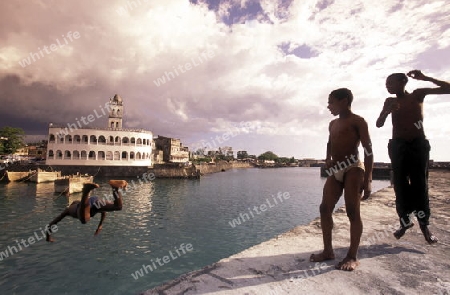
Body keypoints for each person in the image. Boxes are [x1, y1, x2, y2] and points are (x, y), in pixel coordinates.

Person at [376, 70, 450, 244]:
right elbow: (379, 124)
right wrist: (386, 112)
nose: (388, 86)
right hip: (398, 145)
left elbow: (448, 89)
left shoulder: (418, 95)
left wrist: (426, 78)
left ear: (403, 82)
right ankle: (405, 222)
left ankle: (424, 225)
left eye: (391, 83)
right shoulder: (390, 101)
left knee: (420, 186)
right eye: (386, 84)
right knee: (400, 186)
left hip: (417, 144)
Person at [310, 88, 373, 271]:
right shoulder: (332, 124)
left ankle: (352, 256)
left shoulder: (358, 121)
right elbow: (330, 143)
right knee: (324, 209)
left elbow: (368, 149)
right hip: (336, 169)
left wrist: (368, 179)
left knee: (352, 212)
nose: (328, 106)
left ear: (344, 101)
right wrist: (327, 158)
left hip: (353, 167)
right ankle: (328, 251)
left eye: (331, 102)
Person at [46, 180, 128, 242]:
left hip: (87, 205)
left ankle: (86, 190)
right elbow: (103, 212)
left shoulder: (69, 210)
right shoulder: (80, 206)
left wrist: (48, 237)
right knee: (118, 206)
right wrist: (100, 225)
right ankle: (115, 188)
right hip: (95, 201)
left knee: (85, 219)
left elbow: (52, 223)